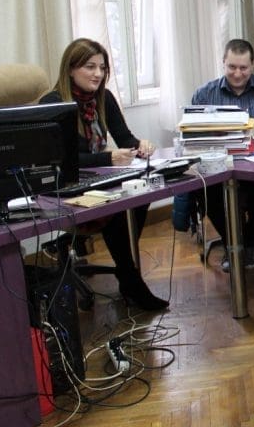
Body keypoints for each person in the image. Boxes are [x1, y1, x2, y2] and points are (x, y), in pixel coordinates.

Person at [40, 38, 167, 311]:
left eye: (102, 68)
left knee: (140, 193)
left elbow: (125, 138)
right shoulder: (53, 104)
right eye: (90, 67)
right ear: (70, 69)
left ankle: (127, 272)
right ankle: (129, 278)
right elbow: (62, 162)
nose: (98, 74)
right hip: (64, 187)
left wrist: (140, 145)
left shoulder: (103, 98)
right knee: (119, 207)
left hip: (97, 180)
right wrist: (107, 158)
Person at [191, 39, 254, 272]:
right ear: (223, 63)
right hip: (217, 168)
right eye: (232, 67)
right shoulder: (204, 94)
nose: (237, 74)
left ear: (253, 64)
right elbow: (193, 137)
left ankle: (251, 240)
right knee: (202, 189)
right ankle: (232, 243)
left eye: (243, 68)